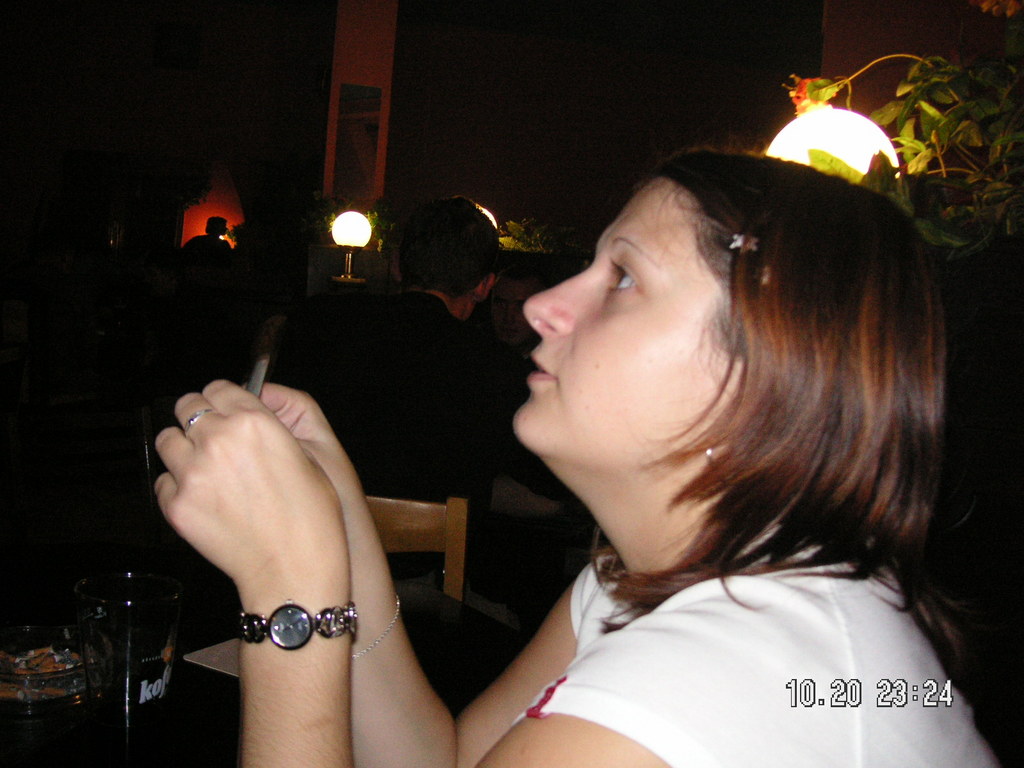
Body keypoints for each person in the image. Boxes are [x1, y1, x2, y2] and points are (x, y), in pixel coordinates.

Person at [154, 150, 998, 767]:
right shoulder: (637, 582)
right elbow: (445, 760)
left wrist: (290, 600)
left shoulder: (725, 677)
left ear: (768, 368)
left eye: (622, 278)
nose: (545, 306)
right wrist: (338, 518)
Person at [271, 196, 523, 509]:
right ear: (485, 286)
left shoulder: (316, 321)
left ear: (395, 266)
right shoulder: (497, 366)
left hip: (307, 522)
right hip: (435, 540)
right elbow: (536, 475)